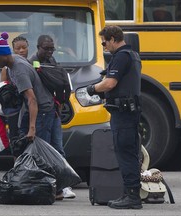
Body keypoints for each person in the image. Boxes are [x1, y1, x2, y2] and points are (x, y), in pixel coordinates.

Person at [0, 32, 72, 200]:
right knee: (33, 147)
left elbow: (32, 99)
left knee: (42, 151)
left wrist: (32, 128)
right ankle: (53, 187)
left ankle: (54, 189)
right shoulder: (16, 61)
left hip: (42, 110)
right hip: (39, 109)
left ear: (4, 56)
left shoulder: (18, 70)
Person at [86, 25, 142, 209]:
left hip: (123, 113)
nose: (104, 46)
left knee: (124, 152)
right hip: (129, 112)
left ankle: (132, 197)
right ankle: (130, 193)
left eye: (104, 42)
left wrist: (93, 88)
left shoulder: (120, 57)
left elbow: (109, 83)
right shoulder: (132, 55)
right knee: (130, 152)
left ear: (112, 39)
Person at [29, 34, 76, 199]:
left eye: (52, 49)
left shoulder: (51, 61)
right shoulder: (34, 62)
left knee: (58, 148)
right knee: (46, 150)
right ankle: (51, 185)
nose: (50, 51)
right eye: (46, 48)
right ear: (38, 47)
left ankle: (64, 184)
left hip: (54, 109)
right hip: (43, 111)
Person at [0, 36, 29, 148]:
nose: (21, 50)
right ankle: (17, 163)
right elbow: (3, 87)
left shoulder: (31, 64)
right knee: (14, 137)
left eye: (24, 47)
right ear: (13, 50)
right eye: (18, 48)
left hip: (28, 107)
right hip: (14, 107)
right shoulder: (7, 68)